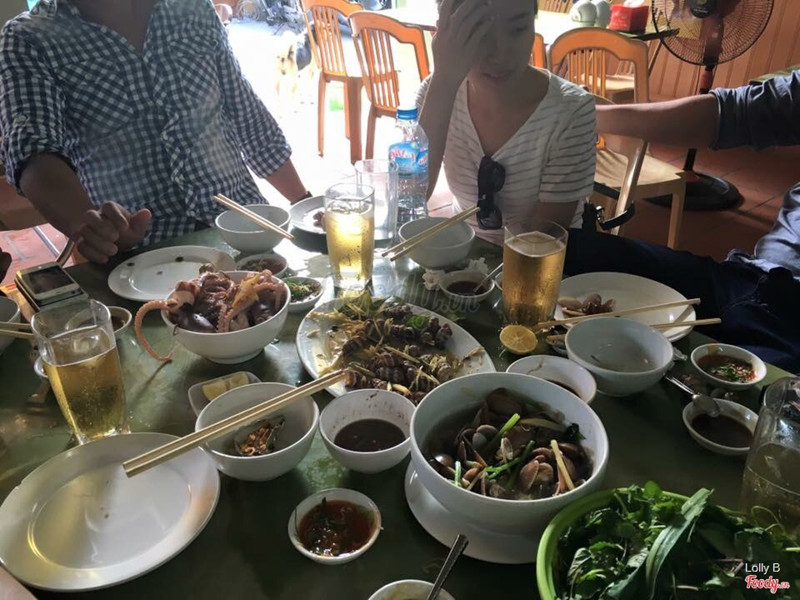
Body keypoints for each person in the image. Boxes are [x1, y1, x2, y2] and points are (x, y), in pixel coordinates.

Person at [0, 0, 311, 264]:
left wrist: (304, 205)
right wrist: (88, 224)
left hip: (243, 231)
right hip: (142, 255)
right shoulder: (29, 38)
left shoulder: (192, 9)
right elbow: (33, 152)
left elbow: (248, 114)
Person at [565, 71, 800, 373]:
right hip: (749, 279)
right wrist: (586, 113)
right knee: (568, 247)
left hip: (790, 331)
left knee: (759, 393)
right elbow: (729, 113)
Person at [417, 0, 597, 244]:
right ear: (446, 36)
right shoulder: (437, 92)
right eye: (479, 32)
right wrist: (444, 80)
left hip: (542, 259)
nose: (501, 54)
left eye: (518, 28)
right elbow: (412, 197)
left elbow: (541, 239)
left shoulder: (571, 111)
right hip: (467, 254)